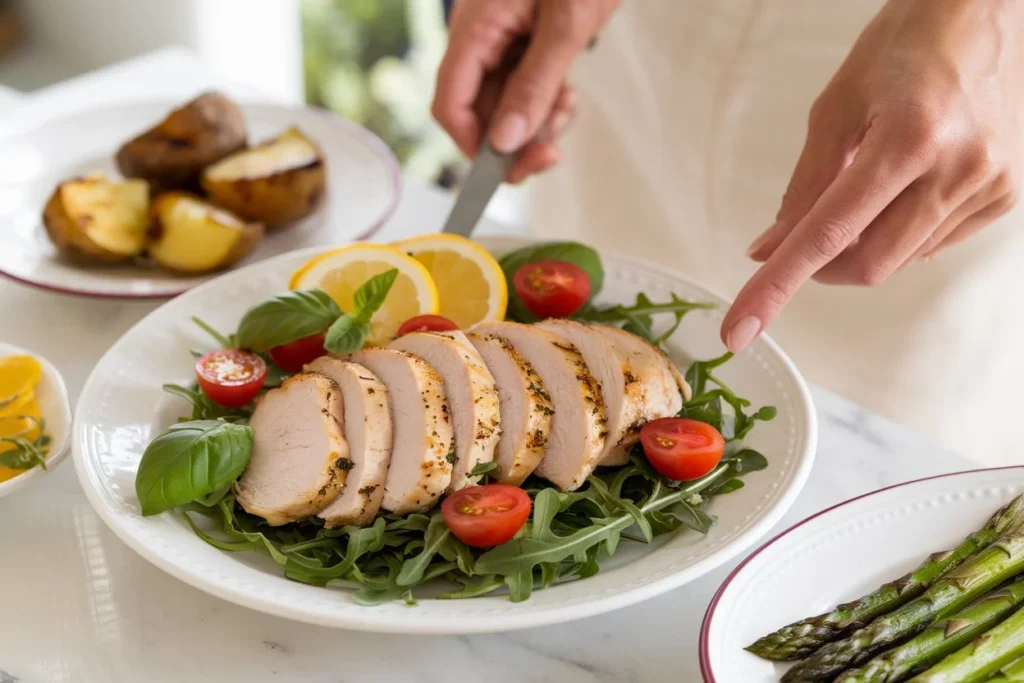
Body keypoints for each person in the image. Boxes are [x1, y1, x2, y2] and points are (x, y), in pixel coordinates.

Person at [431, 0, 1024, 465]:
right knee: (567, 359)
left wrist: (985, 13)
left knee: (892, 450)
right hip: (640, 50)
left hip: (936, 76)